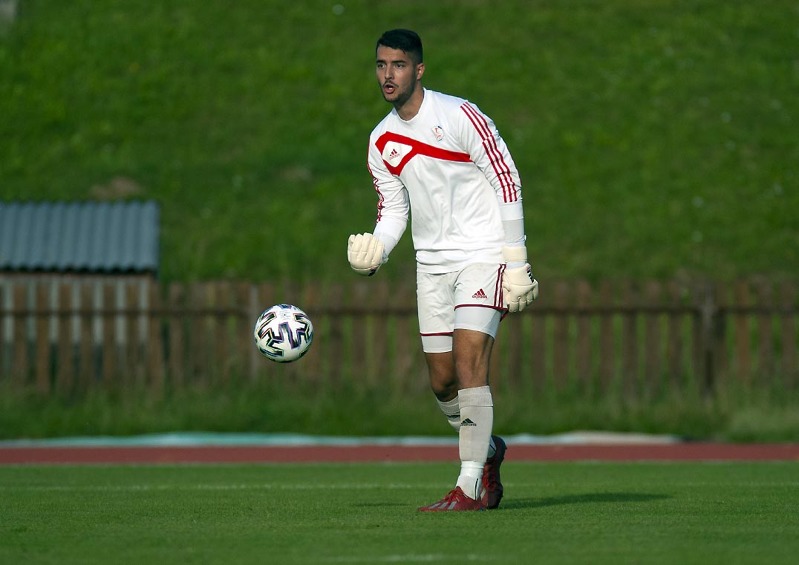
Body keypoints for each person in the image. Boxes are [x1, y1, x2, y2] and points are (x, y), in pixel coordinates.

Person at [347, 29, 538, 511]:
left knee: (471, 362)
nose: (388, 75)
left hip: (483, 255)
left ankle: (469, 486)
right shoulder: (380, 139)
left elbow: (507, 180)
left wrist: (516, 261)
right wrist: (377, 249)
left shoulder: (459, 115)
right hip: (431, 266)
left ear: (419, 69)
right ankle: (487, 450)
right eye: (381, 65)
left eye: (398, 65)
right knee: (443, 381)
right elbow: (394, 210)